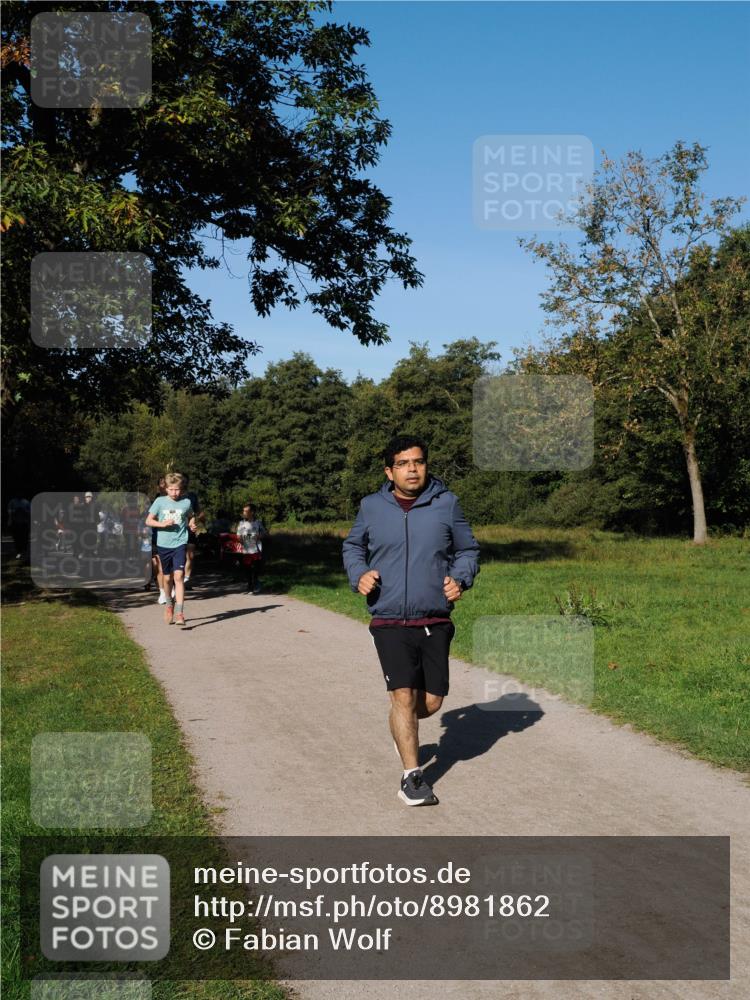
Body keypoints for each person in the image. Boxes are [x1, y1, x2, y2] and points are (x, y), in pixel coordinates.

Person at [343, 435, 479, 807]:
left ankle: (406, 723)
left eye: (417, 462)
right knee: (403, 695)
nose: (412, 469)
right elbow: (353, 546)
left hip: (433, 615)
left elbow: (467, 549)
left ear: (426, 465)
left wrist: (460, 577)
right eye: (403, 463)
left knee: (429, 703)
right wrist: (359, 574)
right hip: (387, 617)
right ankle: (412, 776)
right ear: (389, 471)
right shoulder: (372, 507)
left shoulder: (446, 504)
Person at [145, 472, 197, 627]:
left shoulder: (186, 502)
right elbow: (148, 521)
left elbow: (191, 516)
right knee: (167, 579)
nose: (175, 493)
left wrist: (192, 524)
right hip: (163, 545)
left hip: (180, 543)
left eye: (178, 489)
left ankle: (180, 612)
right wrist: (162, 524)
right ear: (166, 489)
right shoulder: (159, 502)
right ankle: (169, 604)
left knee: (179, 577)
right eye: (172, 489)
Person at [236, 503, 267, 594]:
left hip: (256, 549)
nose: (244, 513)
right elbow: (238, 536)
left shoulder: (258, 523)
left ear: (252, 512)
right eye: (243, 511)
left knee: (256, 567)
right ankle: (249, 584)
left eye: (246, 511)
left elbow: (264, 533)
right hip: (246, 550)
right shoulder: (241, 523)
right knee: (247, 568)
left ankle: (255, 583)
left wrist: (259, 536)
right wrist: (242, 541)